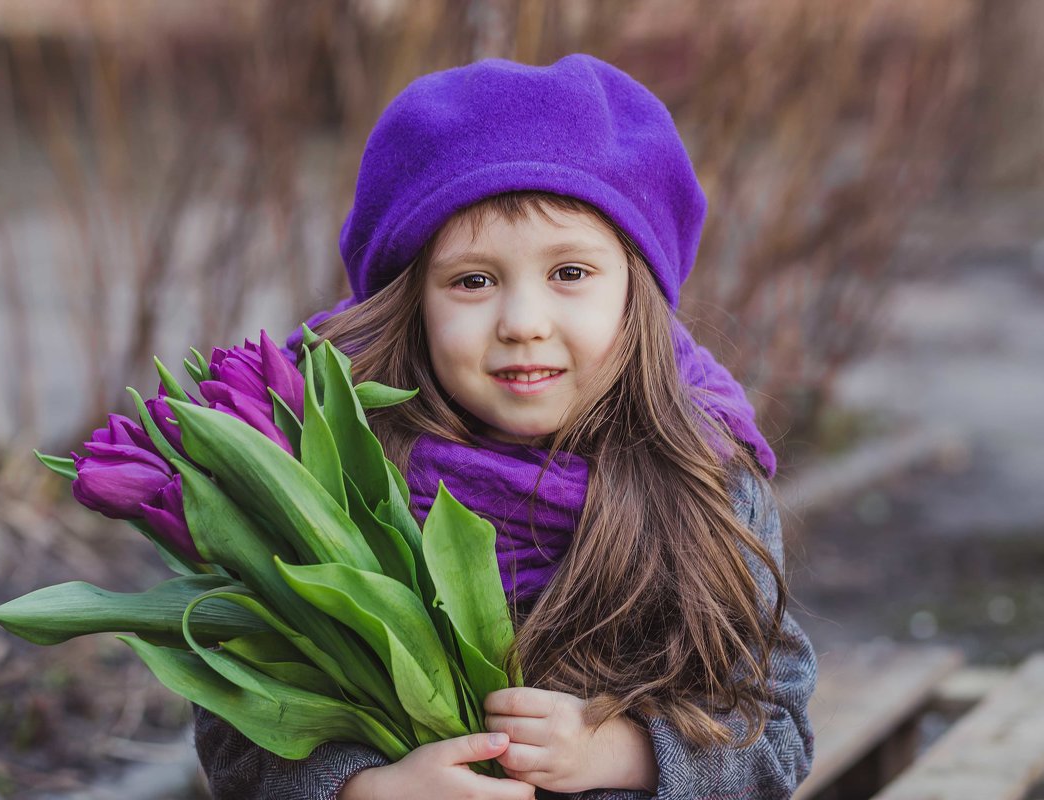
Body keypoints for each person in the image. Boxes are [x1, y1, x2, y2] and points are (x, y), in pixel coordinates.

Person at [192, 53, 816, 799]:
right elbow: (234, 731)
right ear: (411, 301)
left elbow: (777, 736)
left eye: (570, 274)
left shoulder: (704, 474)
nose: (523, 323)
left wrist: (623, 752)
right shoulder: (329, 477)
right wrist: (365, 789)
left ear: (636, 290)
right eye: (473, 281)